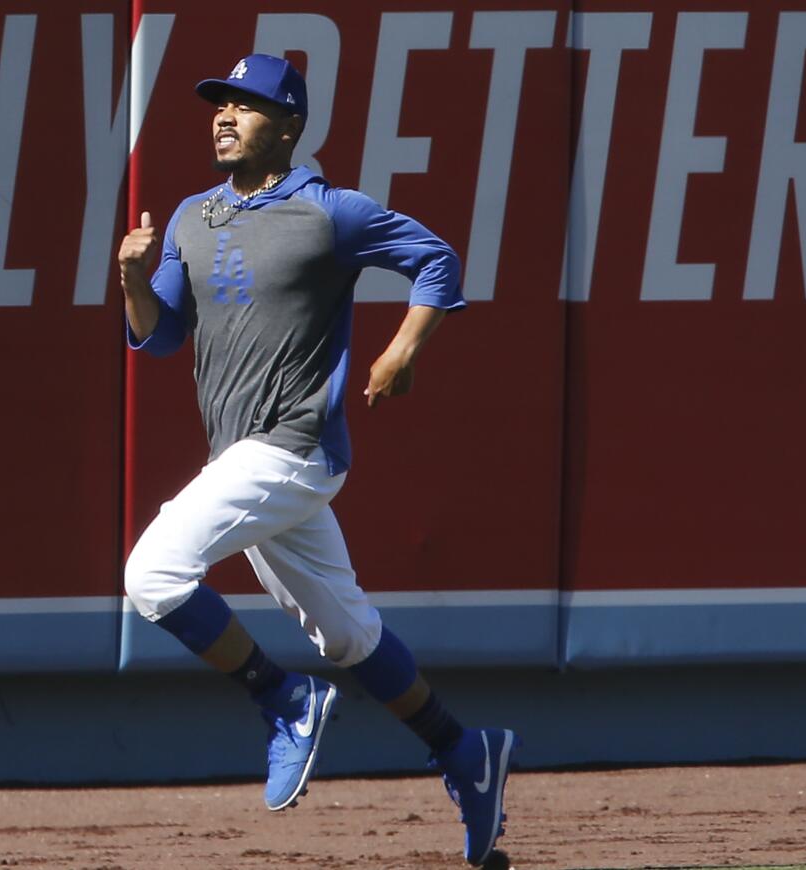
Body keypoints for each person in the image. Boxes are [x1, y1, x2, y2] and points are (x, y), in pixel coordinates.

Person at [117, 53, 516, 866]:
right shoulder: (194, 217)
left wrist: (403, 351)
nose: (226, 116)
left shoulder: (331, 212)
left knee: (152, 573)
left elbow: (437, 260)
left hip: (293, 448)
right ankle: (464, 751)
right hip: (244, 456)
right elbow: (159, 335)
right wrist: (130, 280)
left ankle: (284, 698)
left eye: (249, 106)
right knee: (348, 634)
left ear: (291, 124)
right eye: (220, 104)